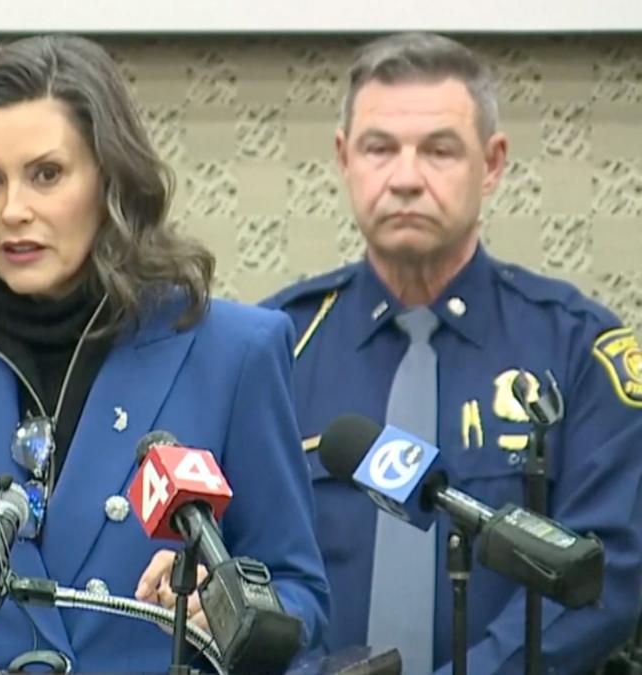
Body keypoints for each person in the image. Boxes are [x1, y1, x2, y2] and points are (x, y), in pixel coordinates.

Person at [0, 34, 329, 673]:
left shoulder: (232, 352)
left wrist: (226, 600)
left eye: (46, 175)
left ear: (110, 179)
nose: (12, 210)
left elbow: (299, 595)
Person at [263, 31, 642, 674]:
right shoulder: (274, 346)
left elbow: (610, 571)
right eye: (380, 148)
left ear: (491, 164)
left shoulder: (578, 349)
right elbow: (235, 561)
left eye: (439, 150)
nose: (406, 178)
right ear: (343, 158)